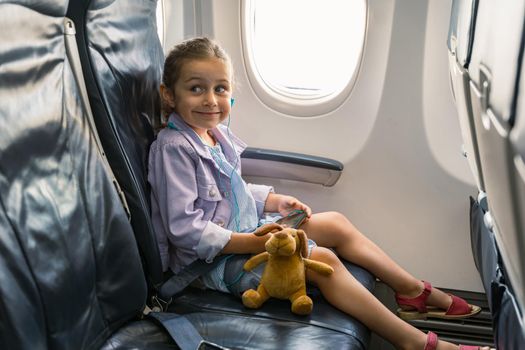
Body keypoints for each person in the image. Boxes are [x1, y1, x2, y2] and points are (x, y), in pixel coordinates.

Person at [148, 37, 489, 350]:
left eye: (220, 89)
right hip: (210, 264)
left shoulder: (214, 134)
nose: (211, 100)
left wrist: (274, 201)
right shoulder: (174, 148)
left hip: (247, 233)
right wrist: (253, 243)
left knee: (335, 224)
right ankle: (416, 343)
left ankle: (412, 291)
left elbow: (229, 193)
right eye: (196, 89)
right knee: (323, 260)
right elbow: (185, 229)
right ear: (169, 94)